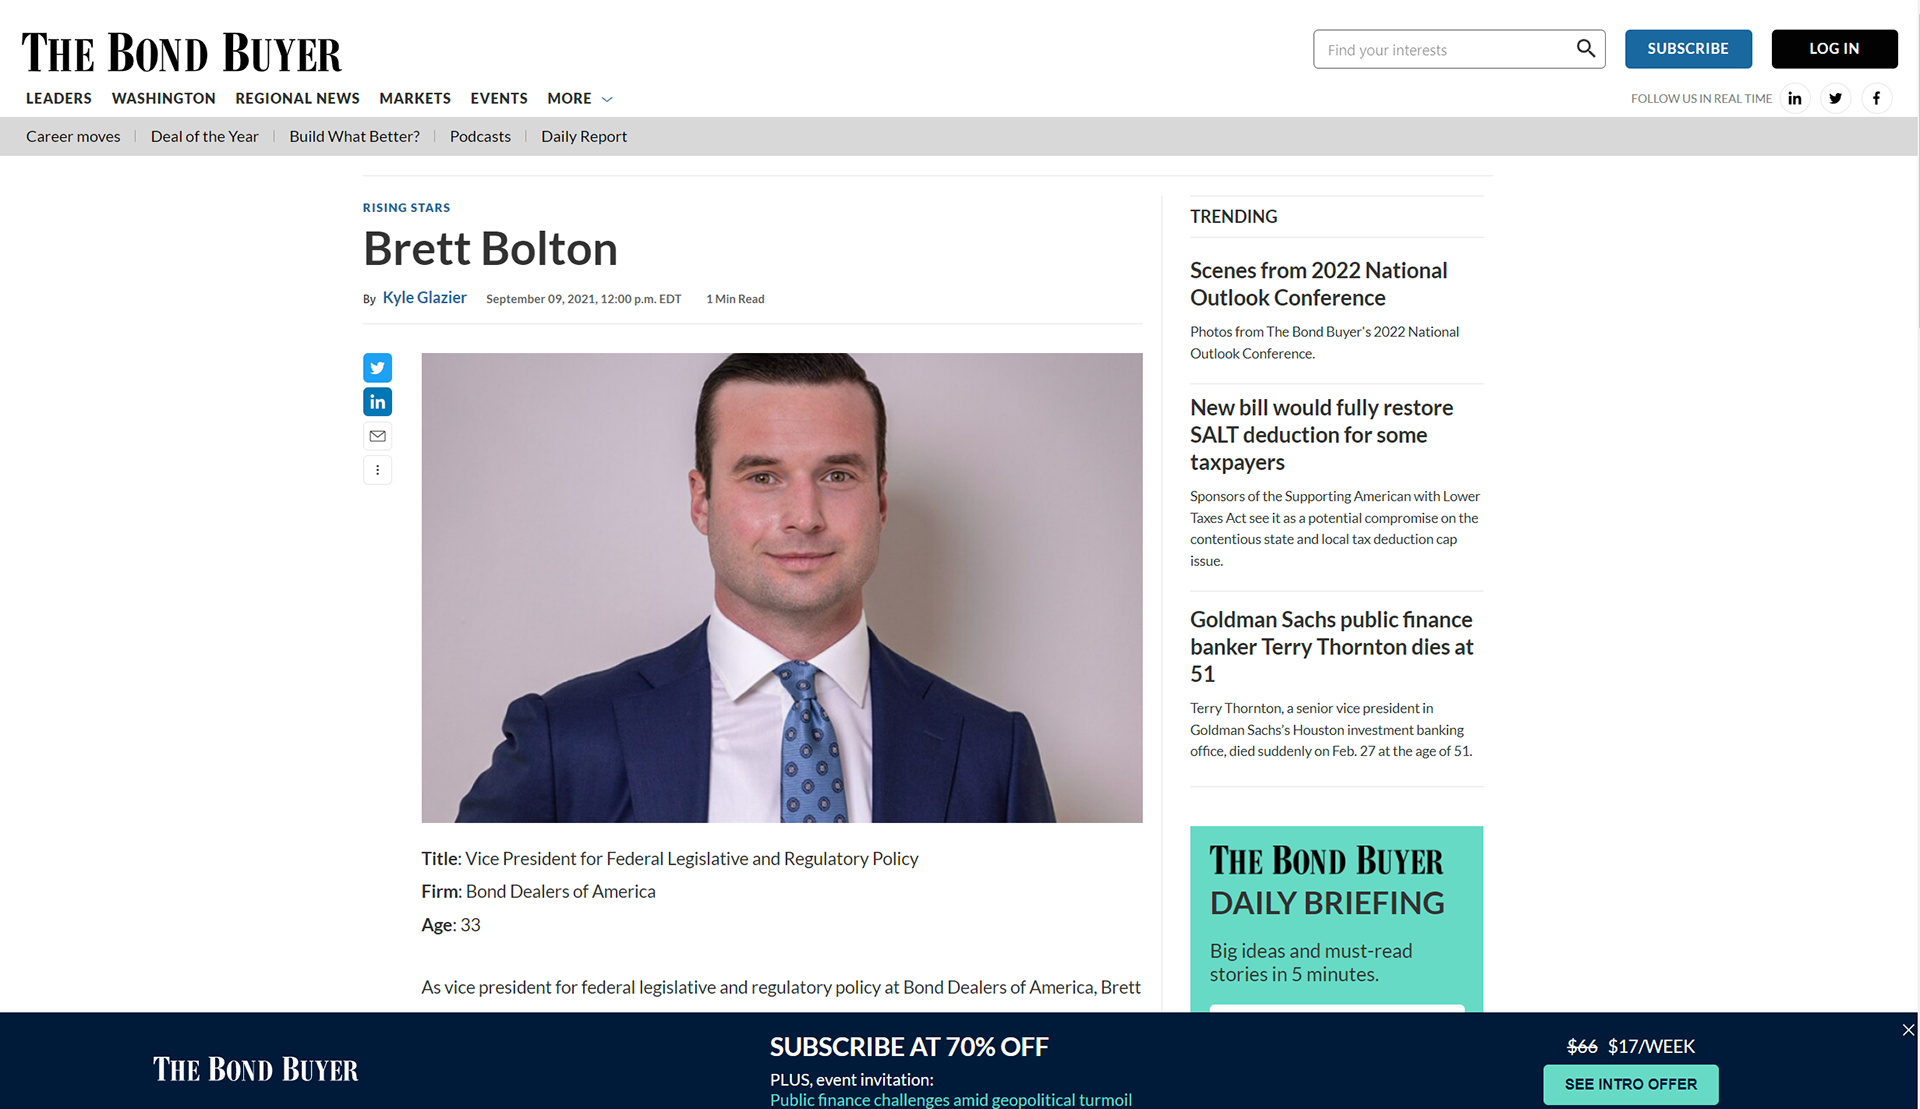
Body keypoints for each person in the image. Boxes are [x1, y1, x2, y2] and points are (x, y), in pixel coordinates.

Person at [457, 353, 1055, 822]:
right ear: (701, 500)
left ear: (879, 500)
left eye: (838, 475)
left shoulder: (990, 754)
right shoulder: (566, 740)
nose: (804, 515)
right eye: (763, 476)